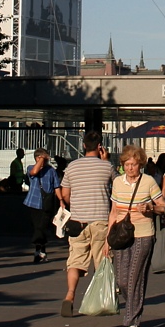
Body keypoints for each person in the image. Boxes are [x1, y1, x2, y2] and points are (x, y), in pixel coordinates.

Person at [104, 144, 165, 327]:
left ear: (140, 164)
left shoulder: (148, 182)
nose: (131, 168)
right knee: (122, 279)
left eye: (134, 164)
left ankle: (132, 323)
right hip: (121, 235)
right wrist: (107, 240)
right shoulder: (117, 182)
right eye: (127, 164)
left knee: (134, 278)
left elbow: (162, 206)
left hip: (143, 233)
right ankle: (133, 310)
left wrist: (150, 208)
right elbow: (113, 211)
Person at [58, 131, 114, 317]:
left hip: (78, 221)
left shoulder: (72, 167)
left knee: (75, 261)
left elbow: (65, 195)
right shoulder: (107, 167)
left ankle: (70, 294)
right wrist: (106, 160)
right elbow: (117, 188)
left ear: (83, 146)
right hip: (101, 220)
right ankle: (99, 298)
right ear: (100, 146)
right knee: (102, 260)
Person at [24, 147, 61, 263]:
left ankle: (39, 247)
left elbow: (56, 186)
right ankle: (40, 249)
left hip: (46, 203)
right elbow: (33, 172)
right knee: (37, 226)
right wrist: (41, 160)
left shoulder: (51, 171)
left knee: (42, 227)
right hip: (34, 202)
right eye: (43, 159)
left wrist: (61, 201)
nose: (45, 162)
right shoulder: (31, 168)